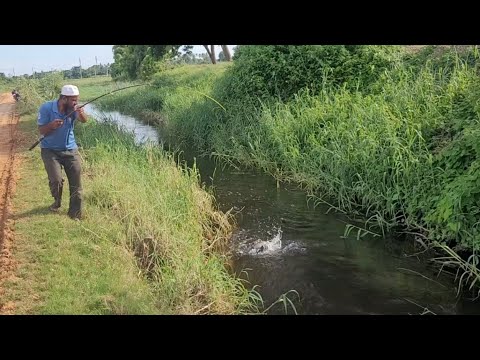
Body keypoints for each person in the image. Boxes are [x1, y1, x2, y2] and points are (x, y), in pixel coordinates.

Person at [37, 84, 88, 220]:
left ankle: (75, 214)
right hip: (50, 150)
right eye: (73, 100)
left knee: (76, 184)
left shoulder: (73, 108)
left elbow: (84, 120)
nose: (75, 102)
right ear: (64, 98)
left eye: (76, 99)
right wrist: (51, 125)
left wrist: (81, 112)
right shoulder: (46, 108)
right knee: (56, 180)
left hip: (70, 150)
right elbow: (41, 130)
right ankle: (57, 201)